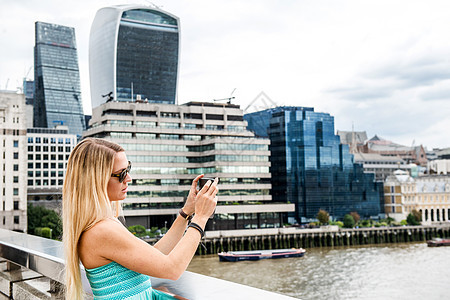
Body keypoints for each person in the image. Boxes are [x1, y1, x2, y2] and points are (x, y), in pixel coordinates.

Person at [62, 138, 218, 299]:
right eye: (121, 173)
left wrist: (187, 212)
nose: (128, 178)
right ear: (96, 179)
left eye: (128, 169)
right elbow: (172, 269)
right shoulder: (102, 230)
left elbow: (154, 255)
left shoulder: (100, 225)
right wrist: (200, 217)